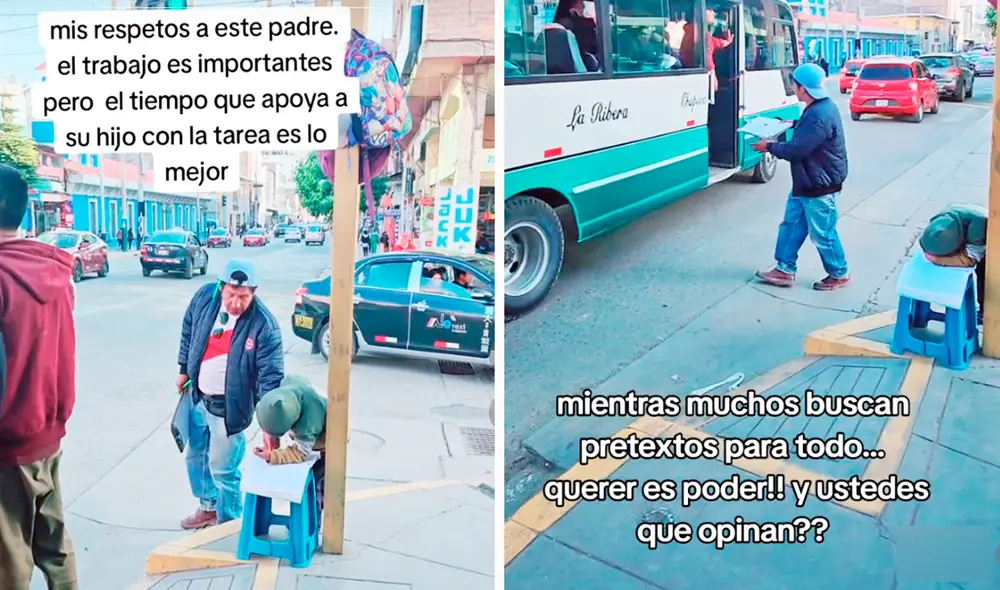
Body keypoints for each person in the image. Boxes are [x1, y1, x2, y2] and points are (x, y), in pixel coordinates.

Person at [0, 163, 79, 590]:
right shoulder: (54, 270)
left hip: (7, 447)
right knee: (55, 547)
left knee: (9, 565)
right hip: (47, 435)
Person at [176, 258, 285, 529]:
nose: (236, 303)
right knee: (195, 457)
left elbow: (270, 378)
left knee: (223, 471)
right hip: (198, 398)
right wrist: (183, 370)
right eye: (231, 295)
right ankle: (208, 507)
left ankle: (229, 523)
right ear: (221, 288)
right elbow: (189, 330)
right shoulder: (205, 298)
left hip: (229, 410)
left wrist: (270, 428)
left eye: (243, 297)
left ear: (254, 293)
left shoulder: (264, 325)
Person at [753, 63, 850, 291]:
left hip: (819, 184)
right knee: (791, 225)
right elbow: (808, 134)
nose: (793, 88)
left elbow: (797, 150)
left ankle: (839, 273)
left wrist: (769, 146)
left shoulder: (818, 115)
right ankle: (784, 269)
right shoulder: (819, 108)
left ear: (802, 88)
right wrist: (791, 124)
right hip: (807, 182)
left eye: (794, 84)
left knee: (823, 234)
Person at [254, 375, 327, 516]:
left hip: (323, 446)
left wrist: (272, 456)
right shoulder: (287, 385)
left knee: (317, 489)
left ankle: (313, 523)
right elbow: (274, 407)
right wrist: (270, 437)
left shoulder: (309, 422)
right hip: (306, 429)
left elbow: (301, 452)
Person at [919, 204, 987, 323]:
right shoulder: (941, 220)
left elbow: (972, 258)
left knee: (986, 275)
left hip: (990, 240)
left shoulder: (977, 228)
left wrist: (939, 260)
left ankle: (985, 313)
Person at [681, 8, 733, 90]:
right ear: (700, 12)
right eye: (710, 9)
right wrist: (713, 80)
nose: (714, 13)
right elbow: (707, 61)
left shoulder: (693, 30)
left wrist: (726, 41)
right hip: (703, 81)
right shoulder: (701, 35)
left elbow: (714, 42)